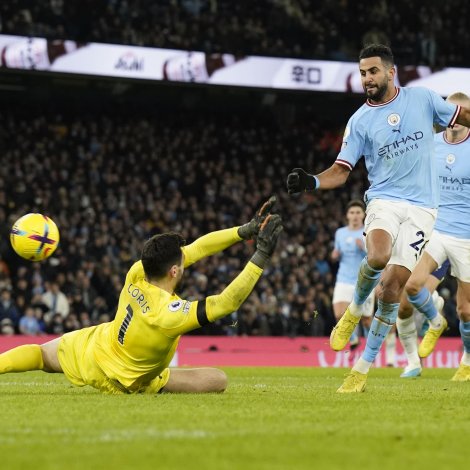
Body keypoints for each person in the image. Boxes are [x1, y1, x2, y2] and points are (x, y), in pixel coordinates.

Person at [286, 44, 470, 393]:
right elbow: (341, 170)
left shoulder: (423, 99)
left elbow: (462, 116)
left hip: (423, 210)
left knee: (392, 287)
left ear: (390, 72)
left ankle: (361, 369)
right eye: (362, 73)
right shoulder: (359, 120)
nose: (367, 78)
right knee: (379, 256)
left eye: (372, 71)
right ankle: (355, 309)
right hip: (385, 199)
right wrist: (312, 181)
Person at [0, 197, 282, 394]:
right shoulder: (170, 314)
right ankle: (156, 382)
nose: (188, 260)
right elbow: (226, 302)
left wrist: (244, 231)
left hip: (96, 348)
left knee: (39, 355)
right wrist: (261, 256)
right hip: (131, 382)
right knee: (218, 379)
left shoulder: (137, 272)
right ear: (173, 271)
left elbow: (198, 249)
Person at [396, 92, 470, 381]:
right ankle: (434, 323)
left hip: (466, 238)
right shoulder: (431, 145)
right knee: (410, 289)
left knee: (465, 311)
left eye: (461, 112)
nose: (454, 118)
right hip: (435, 232)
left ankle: (466, 360)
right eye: (450, 111)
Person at [331, 200, 374, 351]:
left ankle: (370, 350)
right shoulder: (340, 233)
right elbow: (335, 253)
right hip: (343, 279)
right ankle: (354, 338)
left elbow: (376, 256)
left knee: (366, 320)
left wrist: (363, 247)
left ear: (363, 215)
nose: (355, 215)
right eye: (352, 213)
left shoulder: (368, 232)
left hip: (364, 280)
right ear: (347, 215)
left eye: (358, 212)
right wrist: (335, 255)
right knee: (339, 314)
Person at [397, 261, 449, 377]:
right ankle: (414, 363)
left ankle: (432, 306)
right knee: (403, 308)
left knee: (416, 292)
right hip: (411, 249)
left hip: (436, 250)